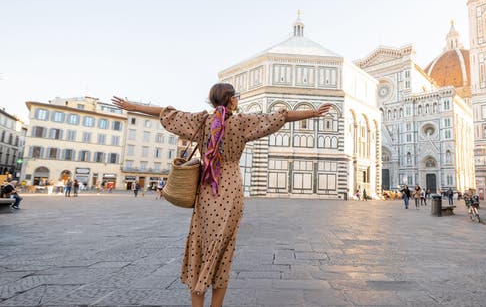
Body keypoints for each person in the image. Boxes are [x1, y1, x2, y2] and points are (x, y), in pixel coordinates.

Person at [112, 83, 331, 307]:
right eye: (236, 97)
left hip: (207, 189)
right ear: (232, 100)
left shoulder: (201, 121)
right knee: (223, 251)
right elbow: (280, 117)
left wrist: (133, 106)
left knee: (200, 242)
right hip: (230, 188)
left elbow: (166, 113)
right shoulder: (242, 122)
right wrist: (313, 113)